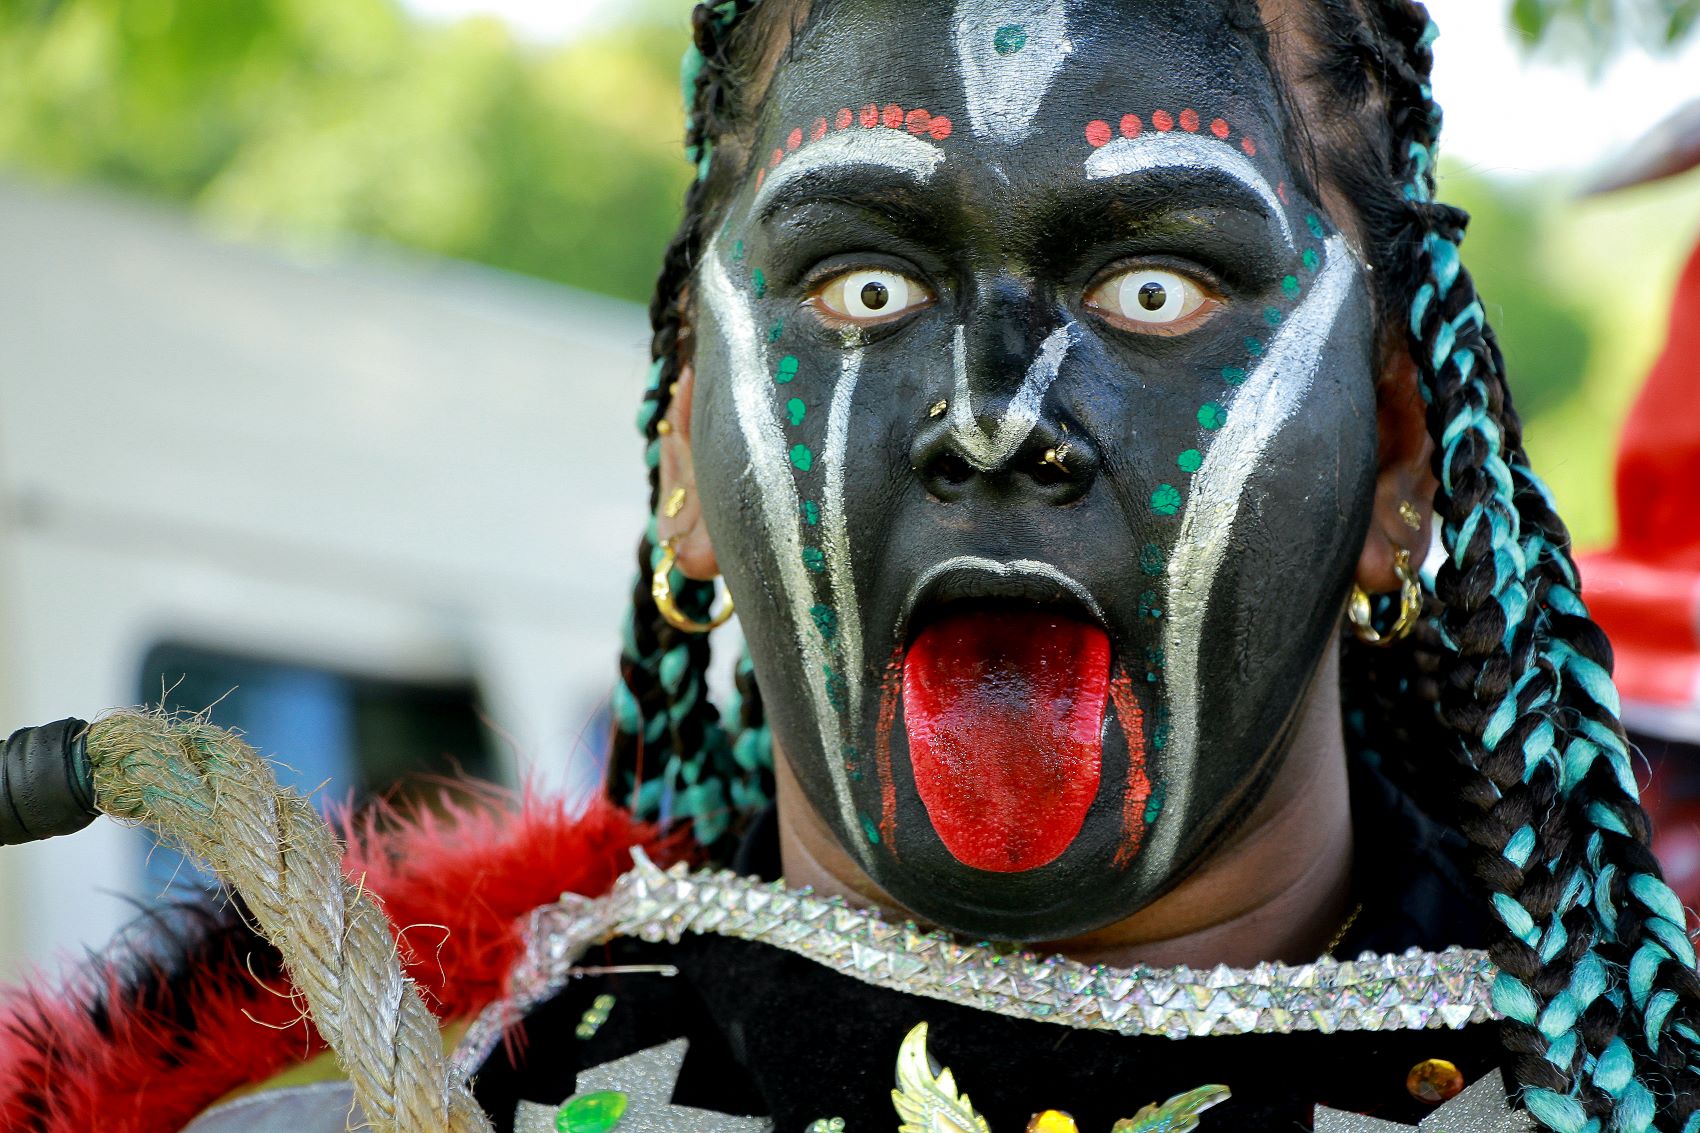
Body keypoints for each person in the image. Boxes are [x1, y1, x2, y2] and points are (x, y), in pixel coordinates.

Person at [3, 2, 1698, 1132]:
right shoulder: (374, 1105)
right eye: (867, 289)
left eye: (1157, 290)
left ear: (1400, 458)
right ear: (682, 461)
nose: (993, 417)